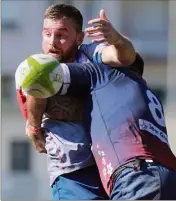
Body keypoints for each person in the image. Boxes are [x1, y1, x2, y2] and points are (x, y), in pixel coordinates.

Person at [15, 4, 143, 200]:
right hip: (72, 172)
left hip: (112, 166)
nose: (53, 42)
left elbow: (125, 57)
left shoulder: (91, 54)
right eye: (47, 34)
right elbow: (35, 113)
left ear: (80, 38)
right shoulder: (33, 69)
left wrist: (116, 40)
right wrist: (33, 126)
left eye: (61, 35)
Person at [19, 60, 176, 199]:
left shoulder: (106, 73)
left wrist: (33, 126)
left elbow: (41, 73)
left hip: (137, 176)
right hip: (168, 177)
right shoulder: (146, 93)